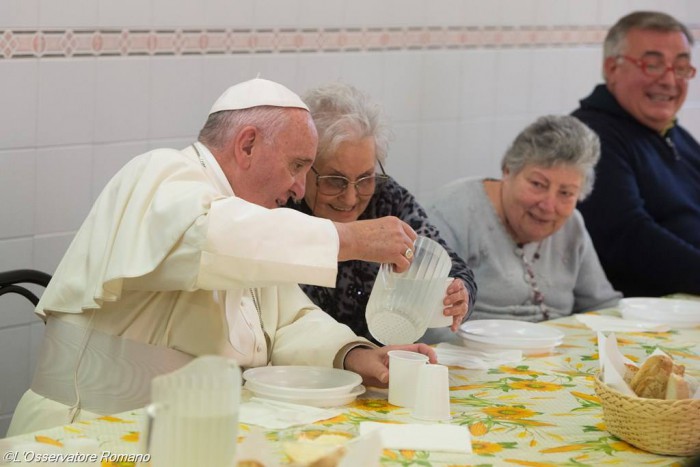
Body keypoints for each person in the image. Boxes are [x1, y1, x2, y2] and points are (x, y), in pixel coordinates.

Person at [8, 78, 435, 436]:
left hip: (185, 433)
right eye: (297, 165)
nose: (300, 190)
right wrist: (348, 238)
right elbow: (207, 237)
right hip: (89, 432)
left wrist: (357, 355)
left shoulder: (253, 224)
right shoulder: (160, 174)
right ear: (247, 145)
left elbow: (286, 320)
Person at [286, 82, 476, 344]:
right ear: (304, 165)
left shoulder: (387, 199)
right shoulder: (281, 204)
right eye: (334, 180)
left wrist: (459, 292)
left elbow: (444, 260)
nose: (351, 198)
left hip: (381, 365)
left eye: (365, 178)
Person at [424, 115, 621, 322]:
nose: (548, 206)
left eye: (566, 193)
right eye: (538, 184)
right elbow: (426, 324)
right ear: (508, 170)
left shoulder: (572, 225)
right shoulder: (451, 214)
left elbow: (602, 307)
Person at [572, 11, 700, 297]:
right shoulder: (590, 137)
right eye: (652, 65)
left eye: (681, 68)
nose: (669, 81)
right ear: (612, 68)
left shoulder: (671, 133)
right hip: (642, 314)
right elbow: (628, 238)